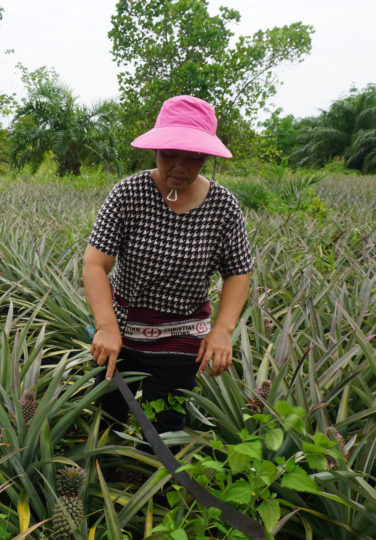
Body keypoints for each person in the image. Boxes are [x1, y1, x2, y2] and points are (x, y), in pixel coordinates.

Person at [83, 95, 254, 432]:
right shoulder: (129, 193)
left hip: (182, 337)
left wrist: (223, 330)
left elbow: (238, 270)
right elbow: (94, 264)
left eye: (193, 158)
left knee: (167, 425)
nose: (180, 166)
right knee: (107, 416)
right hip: (122, 328)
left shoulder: (223, 206)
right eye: (169, 154)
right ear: (155, 151)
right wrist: (105, 326)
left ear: (205, 157)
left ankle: (159, 484)